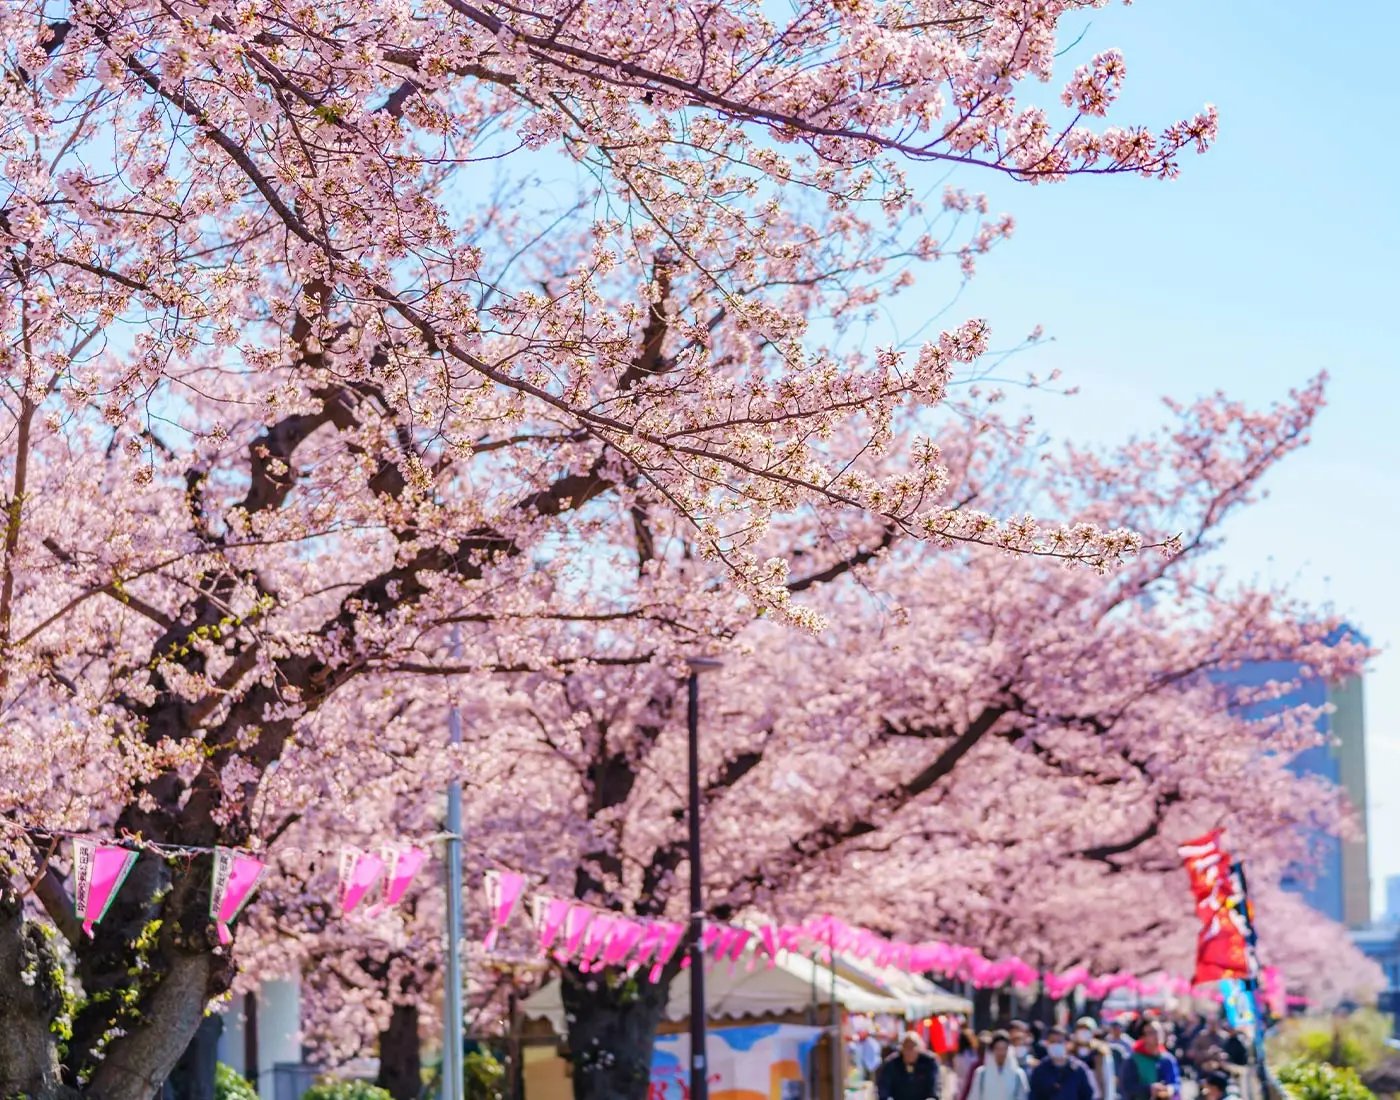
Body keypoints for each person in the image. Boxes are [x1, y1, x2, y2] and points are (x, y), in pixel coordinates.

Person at [1028, 1026, 1098, 1100]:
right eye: (1052, 1042)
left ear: (1067, 1044)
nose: (1056, 1045)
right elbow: (1034, 1096)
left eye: (1059, 1042)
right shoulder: (1040, 1070)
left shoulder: (1079, 1069)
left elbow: (1087, 1095)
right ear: (1047, 1043)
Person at [1121, 1022, 1181, 1100]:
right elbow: (1127, 1087)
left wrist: (1170, 1089)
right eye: (1151, 1032)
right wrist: (1149, 1088)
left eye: (1159, 1031)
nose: (1157, 1035)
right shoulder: (1132, 1060)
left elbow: (1176, 1083)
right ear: (1143, 1037)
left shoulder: (1168, 1059)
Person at [879, 1031, 942, 1100]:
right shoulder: (891, 1063)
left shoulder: (929, 1062)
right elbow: (884, 1089)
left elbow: (935, 1087)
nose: (909, 1051)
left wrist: (932, 1097)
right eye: (906, 1047)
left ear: (919, 1049)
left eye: (912, 1047)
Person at [970, 1031, 1030, 1100]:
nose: (1001, 1053)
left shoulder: (1018, 1074)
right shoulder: (981, 1074)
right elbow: (974, 1097)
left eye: (1004, 1049)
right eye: (998, 1049)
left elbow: (1022, 1097)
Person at [1070, 1017, 1117, 1100]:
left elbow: (1108, 1079)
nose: (1083, 1032)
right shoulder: (1070, 1052)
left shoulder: (1101, 1052)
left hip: (1096, 1096)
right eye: (1080, 1029)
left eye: (1086, 1029)